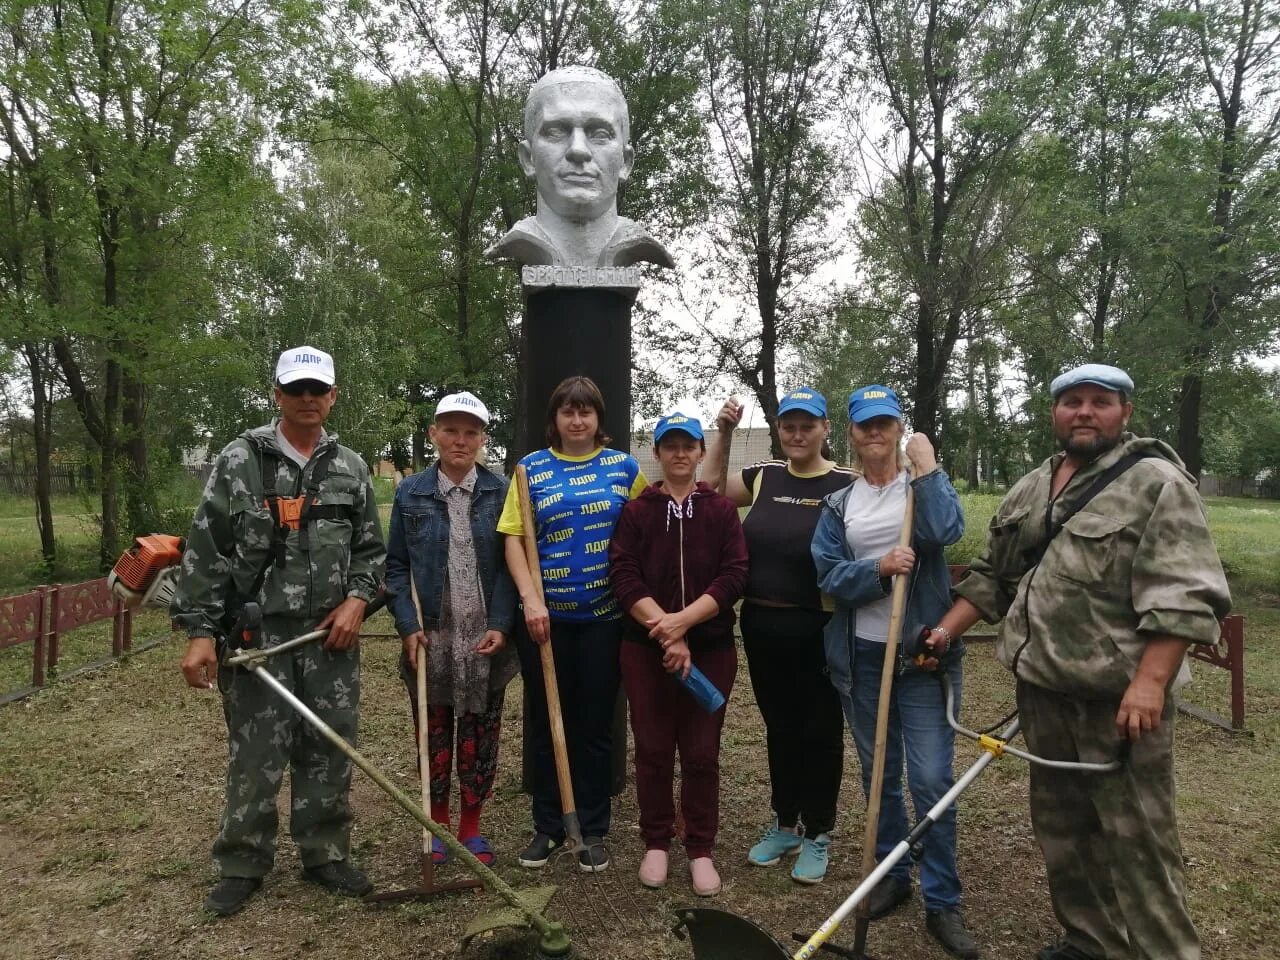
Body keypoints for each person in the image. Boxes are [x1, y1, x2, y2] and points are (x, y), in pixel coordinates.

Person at [931, 363, 1231, 960]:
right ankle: (1092, 942)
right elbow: (995, 577)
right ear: (1054, 413)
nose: (1085, 412)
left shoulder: (1157, 484)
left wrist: (1149, 685)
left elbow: (1186, 596)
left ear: (1125, 413)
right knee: (1064, 833)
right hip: (1042, 690)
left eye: (1101, 401)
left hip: (1120, 704)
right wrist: (943, 632)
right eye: (1073, 402)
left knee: (1139, 844)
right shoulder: (1031, 487)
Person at [172, 346, 386, 916]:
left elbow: (371, 551)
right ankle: (242, 862)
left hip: (329, 638)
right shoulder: (239, 461)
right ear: (278, 396)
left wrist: (358, 602)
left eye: (319, 389)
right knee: (257, 752)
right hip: (256, 638)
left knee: (329, 746)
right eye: (297, 390)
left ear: (334, 396)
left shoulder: (352, 467)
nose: (308, 399)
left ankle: (324, 852)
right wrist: (199, 631)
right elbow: (205, 550)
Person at [810, 385, 977, 959]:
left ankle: (942, 901)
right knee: (878, 777)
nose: (875, 433)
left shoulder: (920, 488)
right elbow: (828, 574)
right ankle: (891, 877)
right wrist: (878, 568)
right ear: (852, 434)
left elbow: (946, 532)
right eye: (865, 425)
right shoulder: (840, 504)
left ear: (898, 427)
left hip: (921, 658)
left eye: (884, 423)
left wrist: (927, 468)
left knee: (931, 779)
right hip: (861, 659)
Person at [498, 376, 648, 872]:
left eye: (586, 411)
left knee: (595, 725)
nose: (577, 420)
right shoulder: (530, 471)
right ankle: (549, 826)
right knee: (546, 724)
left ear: (598, 418)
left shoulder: (623, 469)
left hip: (605, 620)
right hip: (546, 622)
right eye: (568, 411)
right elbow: (515, 540)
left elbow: (649, 527)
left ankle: (593, 825)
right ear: (555, 418)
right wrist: (529, 601)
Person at [704, 388, 852, 884]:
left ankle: (820, 832)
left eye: (806, 425)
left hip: (820, 624)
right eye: (788, 425)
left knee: (821, 730)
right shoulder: (763, 477)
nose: (796, 433)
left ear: (825, 429)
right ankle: (785, 823)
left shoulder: (845, 484)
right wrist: (722, 431)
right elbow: (708, 491)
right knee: (780, 726)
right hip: (761, 624)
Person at [609, 413, 748, 896]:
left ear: (701, 452)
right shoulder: (638, 511)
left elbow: (733, 576)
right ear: (658, 452)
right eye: (671, 445)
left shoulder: (720, 511)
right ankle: (656, 841)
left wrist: (684, 624)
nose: (680, 454)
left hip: (710, 650)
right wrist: (666, 633)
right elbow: (624, 574)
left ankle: (700, 847)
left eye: (689, 445)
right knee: (651, 748)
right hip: (644, 649)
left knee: (701, 751)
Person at [384, 391, 519, 867]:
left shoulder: (501, 491)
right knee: (434, 732)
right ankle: (437, 824)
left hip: (485, 636)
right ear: (433, 434)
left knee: (480, 735)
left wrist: (503, 625)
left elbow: (511, 566)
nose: (461, 441)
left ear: (483, 438)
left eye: (471, 432)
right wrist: (406, 625)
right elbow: (395, 567)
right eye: (451, 430)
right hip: (432, 636)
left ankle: (471, 827)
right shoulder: (410, 492)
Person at [486, 66, 674, 270]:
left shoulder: (637, 242)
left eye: (600, 134)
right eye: (556, 131)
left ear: (625, 162)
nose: (578, 150)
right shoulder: (520, 240)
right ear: (528, 159)